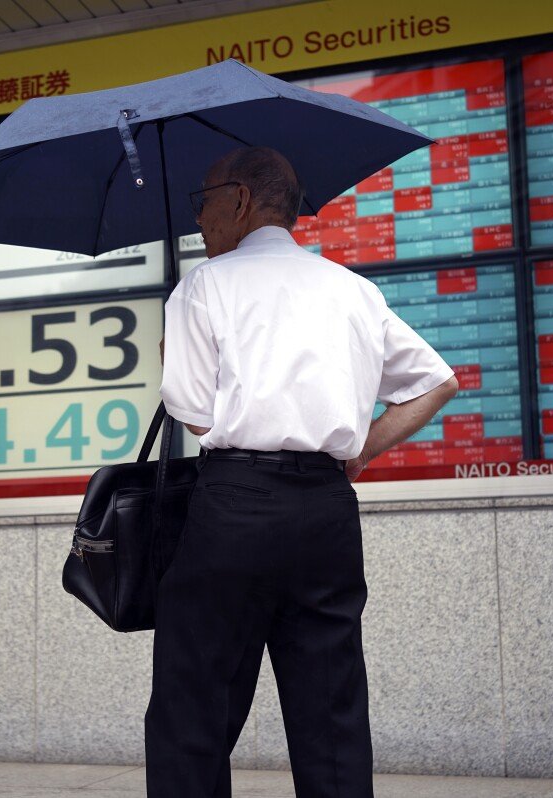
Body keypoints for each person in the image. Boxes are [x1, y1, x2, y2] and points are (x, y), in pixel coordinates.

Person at [146, 146, 459, 798]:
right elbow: (434, 381)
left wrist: (173, 357)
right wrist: (361, 450)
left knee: (194, 706)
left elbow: (195, 412)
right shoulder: (353, 289)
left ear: (239, 199)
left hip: (233, 506)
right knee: (332, 713)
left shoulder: (204, 286)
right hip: (325, 509)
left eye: (203, 200)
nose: (198, 218)